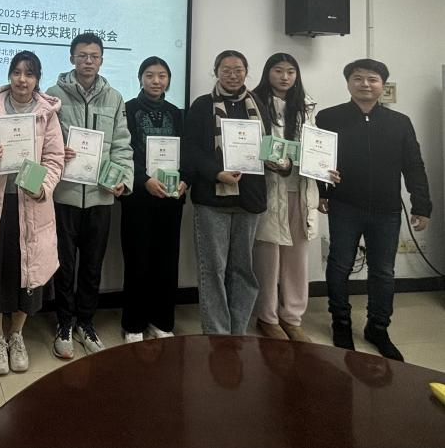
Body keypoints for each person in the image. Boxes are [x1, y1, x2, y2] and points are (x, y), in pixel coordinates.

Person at [316, 59, 431, 361]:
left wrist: (421, 205)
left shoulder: (400, 122)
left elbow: (414, 165)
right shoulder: (328, 117)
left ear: (383, 84)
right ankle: (341, 322)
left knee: (383, 271)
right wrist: (323, 191)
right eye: (358, 78)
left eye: (372, 79)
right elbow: (317, 158)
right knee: (340, 265)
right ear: (348, 83)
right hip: (344, 205)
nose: (365, 84)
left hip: (386, 209)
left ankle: (378, 327)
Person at [0, 52, 65, 375]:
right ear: (9, 75)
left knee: (29, 273)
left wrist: (42, 187)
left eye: (29, 74)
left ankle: (17, 335)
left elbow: (54, 159)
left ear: (37, 79)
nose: (22, 79)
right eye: (17, 72)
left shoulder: (46, 113)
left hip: (31, 205)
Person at [46, 33, 134, 358]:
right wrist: (59, 152)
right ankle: (64, 323)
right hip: (65, 196)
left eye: (94, 56)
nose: (88, 61)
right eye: (82, 55)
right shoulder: (53, 95)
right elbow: (45, 142)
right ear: (72, 58)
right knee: (64, 265)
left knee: (93, 265)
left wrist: (122, 179)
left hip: (100, 196)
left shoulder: (115, 98)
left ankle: (86, 322)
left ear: (101, 60)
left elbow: (122, 145)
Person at [182, 50, 266, 335]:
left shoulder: (258, 104)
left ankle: (238, 330)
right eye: (226, 70)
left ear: (246, 71)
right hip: (212, 197)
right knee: (213, 270)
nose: (233, 75)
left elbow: (267, 145)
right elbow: (191, 149)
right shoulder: (202, 105)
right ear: (216, 71)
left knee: (243, 269)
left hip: (249, 198)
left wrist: (279, 160)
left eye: (238, 69)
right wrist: (216, 173)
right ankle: (217, 333)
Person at [250, 53, 330, 342]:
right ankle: (267, 317)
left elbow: (317, 146)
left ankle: (292, 317)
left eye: (290, 72)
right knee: (267, 257)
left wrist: (325, 169)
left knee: (297, 258)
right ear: (267, 73)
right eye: (278, 70)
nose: (285, 77)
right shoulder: (254, 102)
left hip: (301, 189)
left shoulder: (306, 106)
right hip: (270, 189)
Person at [120, 57, 187, 343]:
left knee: (166, 261)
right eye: (150, 75)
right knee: (137, 260)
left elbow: (189, 151)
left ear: (168, 80)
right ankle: (133, 324)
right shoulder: (127, 110)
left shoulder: (177, 113)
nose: (156, 81)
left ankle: (161, 321)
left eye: (162, 75)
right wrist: (144, 180)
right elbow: (122, 151)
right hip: (138, 197)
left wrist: (186, 180)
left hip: (171, 198)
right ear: (140, 78)